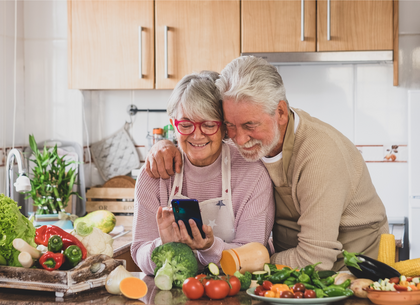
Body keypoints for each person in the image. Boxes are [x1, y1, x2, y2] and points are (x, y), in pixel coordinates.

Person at [145, 57, 389, 271]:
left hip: (349, 268)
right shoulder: (252, 134)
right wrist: (165, 145)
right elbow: (197, 131)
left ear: (281, 113)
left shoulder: (319, 156)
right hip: (290, 269)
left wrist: (246, 261)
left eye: (250, 125)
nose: (239, 139)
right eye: (230, 125)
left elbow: (315, 258)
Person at [131, 71, 275, 275]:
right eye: (186, 125)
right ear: (174, 125)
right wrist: (163, 246)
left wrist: (210, 248)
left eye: (208, 125)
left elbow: (253, 257)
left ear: (224, 128)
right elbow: (138, 252)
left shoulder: (252, 174)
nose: (197, 135)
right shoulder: (155, 174)